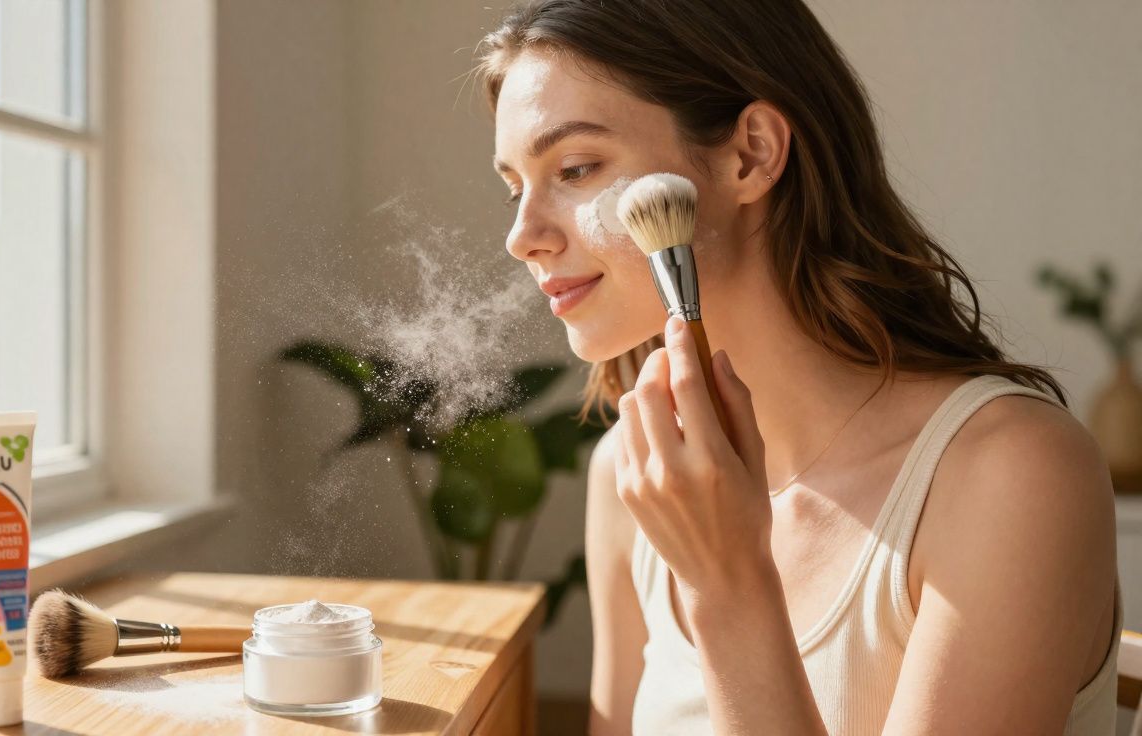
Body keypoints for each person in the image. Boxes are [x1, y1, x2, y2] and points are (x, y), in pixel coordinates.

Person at [476, 1, 1121, 734]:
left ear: (750, 154)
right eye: (514, 187)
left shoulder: (1010, 476)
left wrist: (728, 582)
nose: (521, 236)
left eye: (576, 169)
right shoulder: (637, 471)